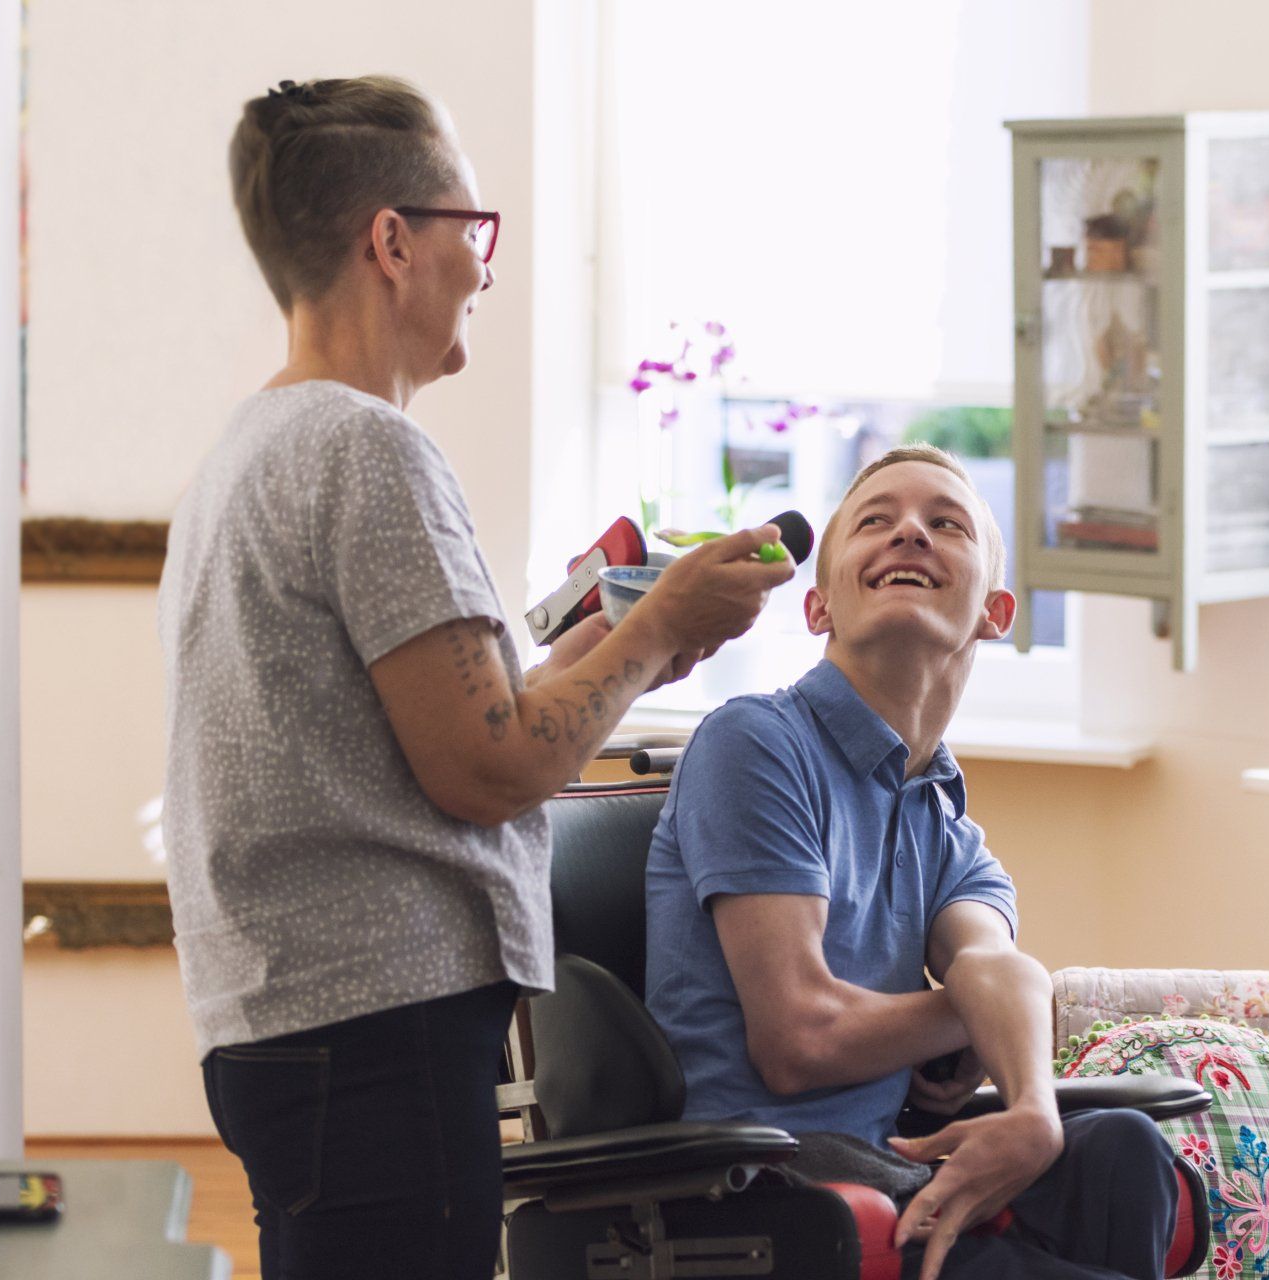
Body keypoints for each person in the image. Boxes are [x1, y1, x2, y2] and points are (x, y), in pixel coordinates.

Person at [157, 76, 795, 1280]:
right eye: (474, 231)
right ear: (391, 241)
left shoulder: (252, 447)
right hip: (378, 1029)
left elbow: (428, 725)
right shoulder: (369, 449)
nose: (487, 270)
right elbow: (491, 765)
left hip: (292, 1022)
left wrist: (596, 650)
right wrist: (655, 628)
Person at [644, 444, 1180, 1280]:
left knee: (1122, 1149)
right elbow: (798, 1037)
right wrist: (972, 1011)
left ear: (996, 612)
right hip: (769, 1188)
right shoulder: (754, 743)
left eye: (945, 523)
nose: (910, 536)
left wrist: (1033, 1108)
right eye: (875, 522)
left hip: (890, 1166)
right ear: (818, 607)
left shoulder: (945, 822)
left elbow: (998, 965)